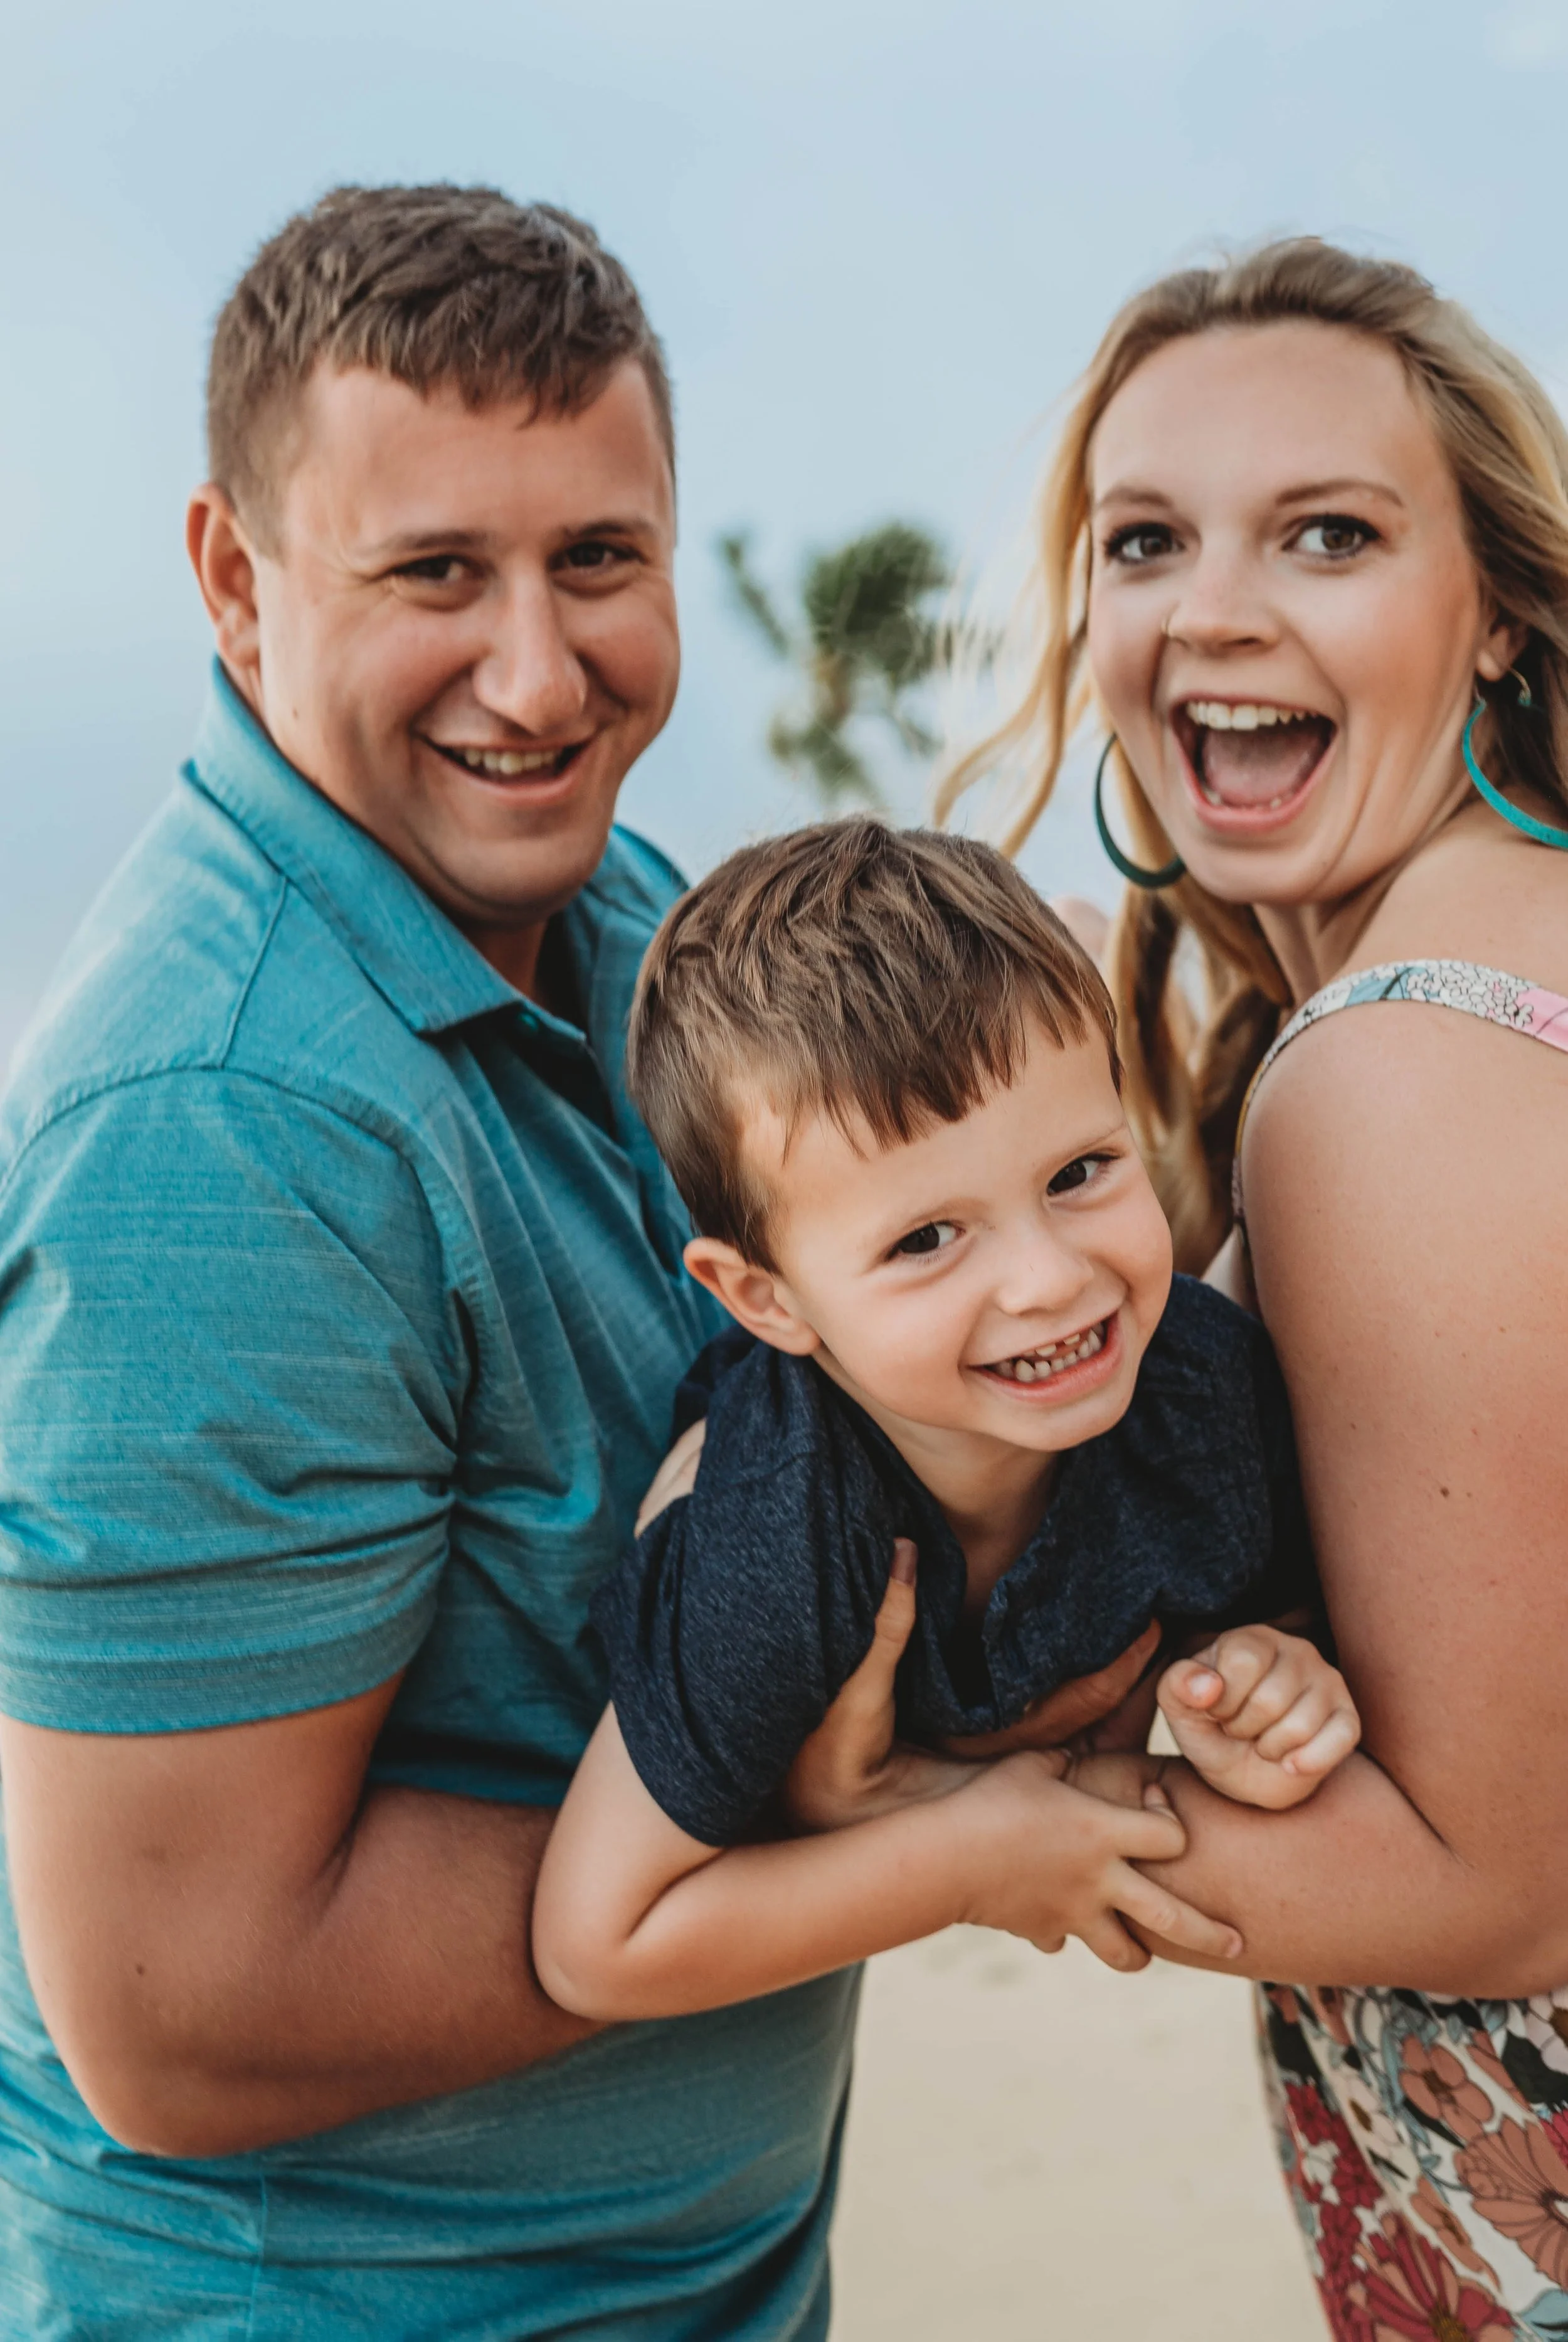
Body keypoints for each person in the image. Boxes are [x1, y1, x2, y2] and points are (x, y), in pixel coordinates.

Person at [0, 181, 1041, 2342]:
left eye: (598, 560)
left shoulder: (630, 914)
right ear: (234, 579)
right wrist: (876, 1826)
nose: (541, 677)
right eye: (434, 574)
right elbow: (188, 2004)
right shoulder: (220, 1126)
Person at [856, 235, 1568, 2330]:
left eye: (1328, 535)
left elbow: (1498, 1884)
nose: (1214, 612)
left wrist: (887, 1821)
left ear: (1498, 607)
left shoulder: (1401, 1062)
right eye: (1144, 539)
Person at [530, 817, 1360, 2022]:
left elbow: (1273, 1609)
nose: (1051, 1280)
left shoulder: (1203, 1392)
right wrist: (972, 1860)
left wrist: (1263, 1679)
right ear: (766, 1299)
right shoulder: (777, 1547)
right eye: (926, 1239)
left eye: (1079, 1172)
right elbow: (596, 1941)